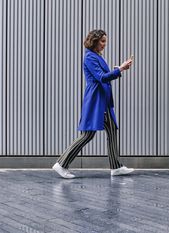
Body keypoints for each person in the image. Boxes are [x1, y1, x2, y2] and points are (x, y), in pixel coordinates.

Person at [52, 29, 134, 179]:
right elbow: (101, 77)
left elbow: (102, 76)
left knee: (112, 130)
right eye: (102, 41)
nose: (104, 44)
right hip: (97, 100)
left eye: (105, 41)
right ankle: (61, 164)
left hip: (103, 100)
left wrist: (118, 69)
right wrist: (121, 69)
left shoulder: (96, 56)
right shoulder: (90, 57)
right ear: (94, 41)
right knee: (88, 134)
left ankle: (115, 166)